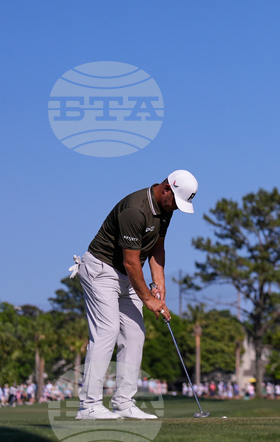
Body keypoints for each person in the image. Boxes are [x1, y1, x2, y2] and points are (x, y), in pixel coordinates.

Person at [73, 170, 198, 420]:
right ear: (166, 189)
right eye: (175, 201)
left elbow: (157, 248)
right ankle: (88, 406)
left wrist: (159, 286)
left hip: (126, 276)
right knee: (106, 332)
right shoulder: (135, 209)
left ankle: (124, 402)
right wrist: (149, 300)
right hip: (101, 270)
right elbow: (131, 263)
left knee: (134, 335)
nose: (175, 207)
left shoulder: (166, 210)